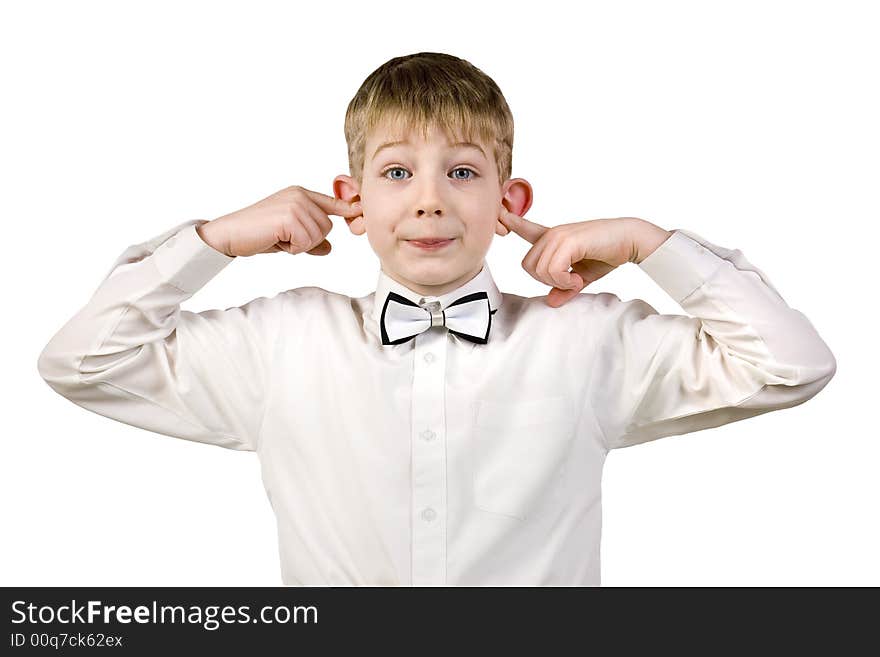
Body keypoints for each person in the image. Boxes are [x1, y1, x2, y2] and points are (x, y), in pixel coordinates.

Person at [36, 51, 836, 586]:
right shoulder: (279, 342)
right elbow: (80, 361)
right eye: (395, 171)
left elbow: (791, 365)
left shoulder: (588, 339)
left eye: (461, 170)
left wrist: (648, 244)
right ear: (351, 200)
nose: (428, 198)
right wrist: (210, 242)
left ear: (508, 203)